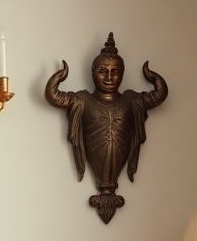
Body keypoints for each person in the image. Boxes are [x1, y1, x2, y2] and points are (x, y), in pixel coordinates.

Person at [44, 32, 168, 222]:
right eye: (103, 71)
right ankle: (105, 185)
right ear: (93, 72)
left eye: (115, 71)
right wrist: (59, 77)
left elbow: (158, 95)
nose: (109, 77)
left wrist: (153, 77)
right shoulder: (83, 100)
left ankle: (108, 186)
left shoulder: (131, 100)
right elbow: (55, 96)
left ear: (122, 74)